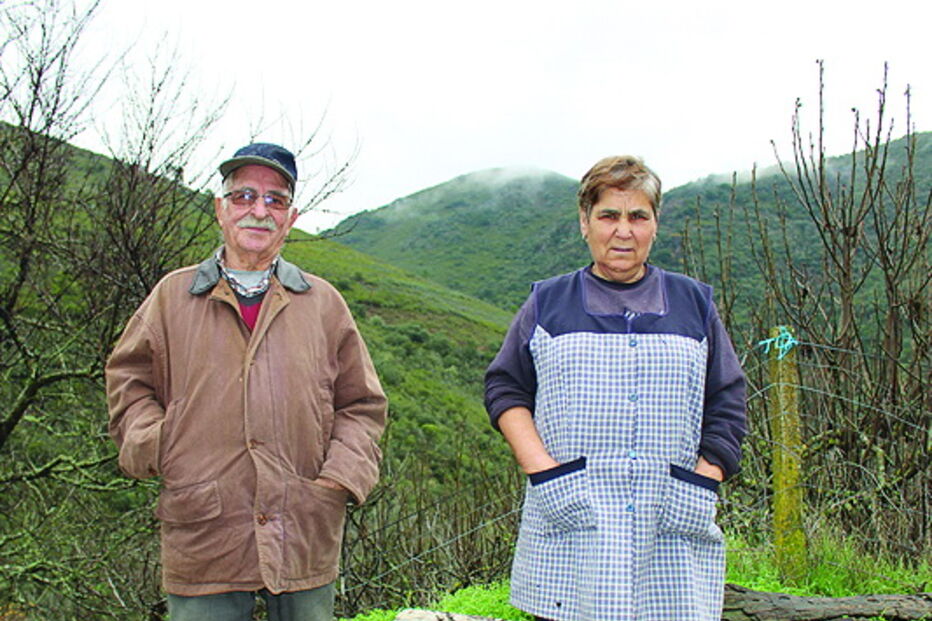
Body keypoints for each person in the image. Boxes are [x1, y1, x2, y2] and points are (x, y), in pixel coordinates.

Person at [106, 143, 387, 621]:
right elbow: (128, 381)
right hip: (203, 530)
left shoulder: (324, 304)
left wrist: (338, 479)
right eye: (244, 197)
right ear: (220, 208)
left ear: (291, 217)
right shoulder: (171, 298)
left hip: (304, 529)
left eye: (275, 200)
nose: (260, 211)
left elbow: (362, 406)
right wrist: (160, 443)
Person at [484, 155, 747, 621]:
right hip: (572, 520)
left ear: (654, 225)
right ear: (585, 223)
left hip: (669, 520)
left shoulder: (694, 304)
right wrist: (542, 470)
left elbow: (727, 397)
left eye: (637, 216)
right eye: (608, 215)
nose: (623, 230)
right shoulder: (547, 303)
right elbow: (506, 389)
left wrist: (705, 479)